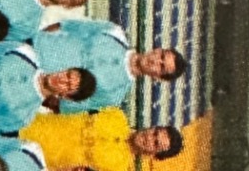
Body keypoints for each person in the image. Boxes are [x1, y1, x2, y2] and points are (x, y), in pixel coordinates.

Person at [34, 23, 187, 112]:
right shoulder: (114, 31)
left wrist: (36, 89)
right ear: (158, 50)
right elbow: (66, 25)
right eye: (161, 56)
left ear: (158, 77)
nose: (156, 61)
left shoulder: (115, 96)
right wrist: (35, 39)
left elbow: (62, 106)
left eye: (161, 67)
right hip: (34, 45)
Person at [21, 109, 184, 171]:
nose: (149, 138)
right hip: (30, 123)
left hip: (29, 158)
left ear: (154, 156)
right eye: (155, 133)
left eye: (155, 144)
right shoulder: (117, 116)